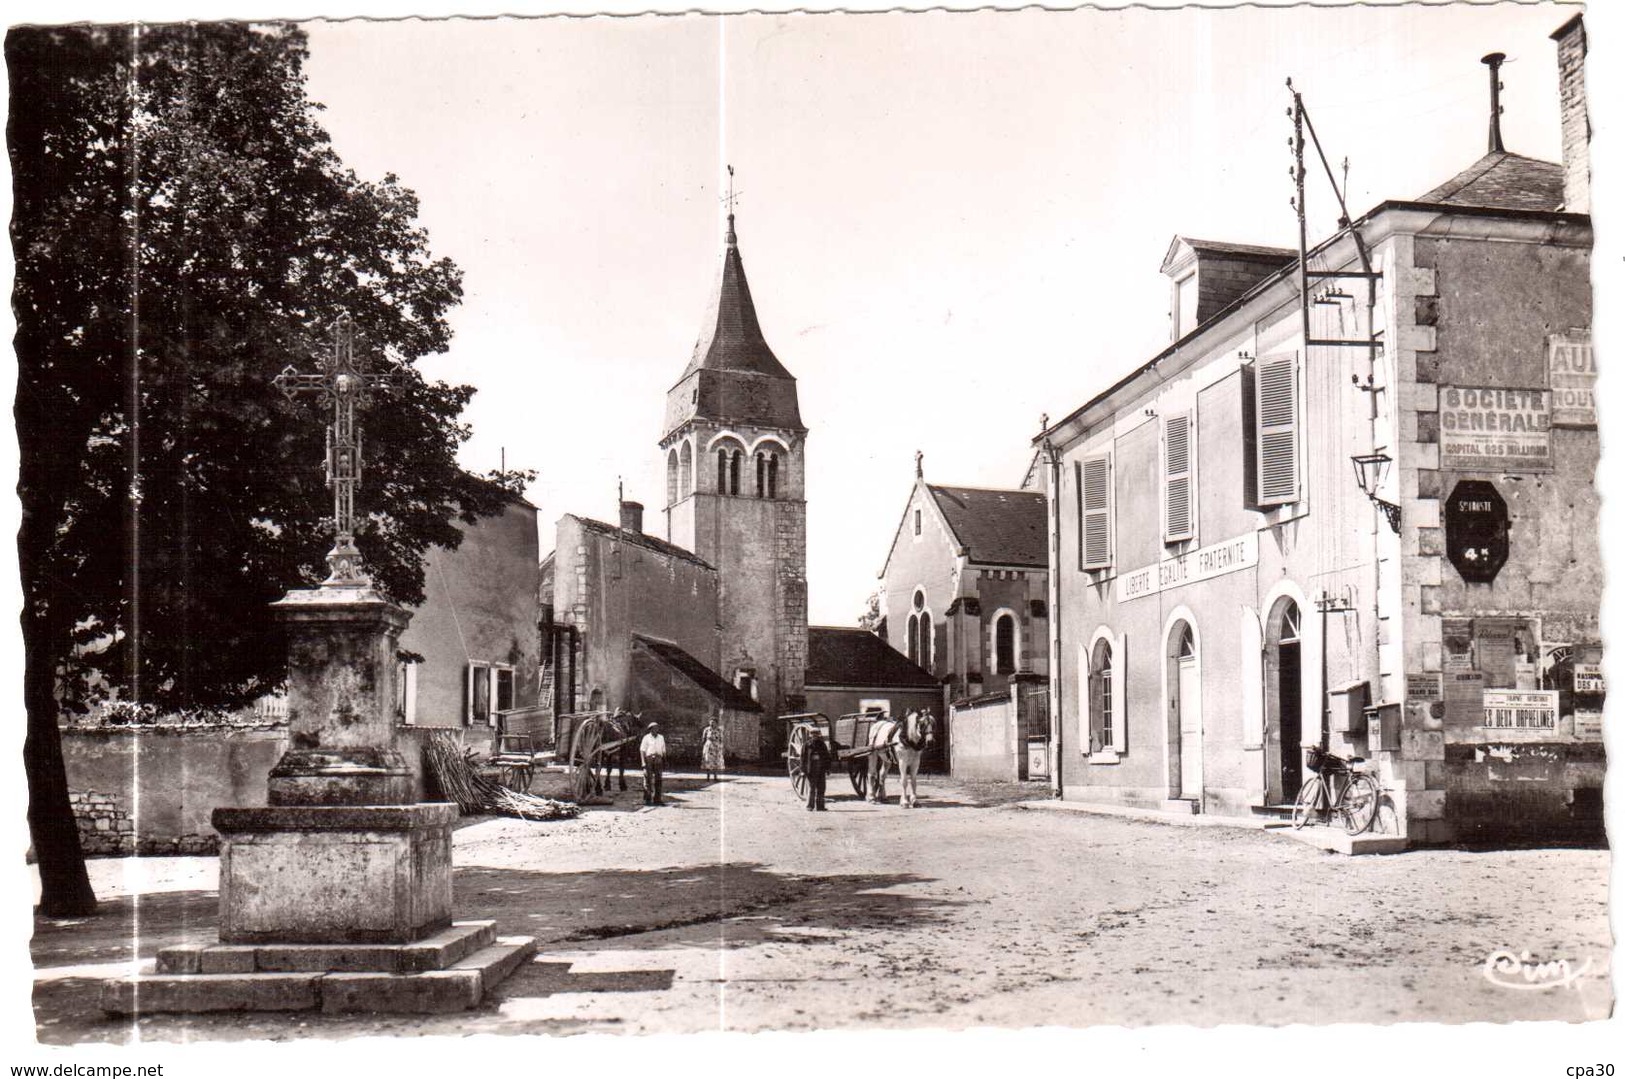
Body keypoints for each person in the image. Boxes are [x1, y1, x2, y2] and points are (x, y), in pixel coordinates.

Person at [639, 721, 667, 806]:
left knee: (658, 780)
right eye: (654, 728)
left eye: (657, 728)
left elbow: (663, 750)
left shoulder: (661, 737)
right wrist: (643, 762)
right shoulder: (646, 738)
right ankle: (648, 799)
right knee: (648, 779)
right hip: (649, 759)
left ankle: (657, 799)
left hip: (658, 759)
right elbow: (642, 750)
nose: (656, 730)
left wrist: (665, 760)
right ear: (650, 730)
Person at [802, 728, 830, 811]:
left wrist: (828, 768)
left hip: (821, 769)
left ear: (818, 735)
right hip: (811, 769)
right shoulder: (807, 745)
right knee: (812, 788)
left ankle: (820, 807)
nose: (814, 736)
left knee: (821, 788)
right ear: (810, 735)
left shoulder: (822, 744)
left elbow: (827, 757)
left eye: (816, 734)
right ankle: (810, 806)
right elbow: (803, 758)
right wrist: (803, 770)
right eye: (813, 734)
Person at [700, 717, 725, 783]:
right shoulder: (707, 730)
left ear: (716, 723)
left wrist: (720, 747)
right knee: (708, 761)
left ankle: (715, 777)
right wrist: (705, 746)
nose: (712, 724)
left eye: (713, 723)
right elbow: (703, 738)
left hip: (716, 747)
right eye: (711, 722)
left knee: (716, 761)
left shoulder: (719, 730)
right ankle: (708, 777)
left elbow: (721, 739)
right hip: (708, 746)